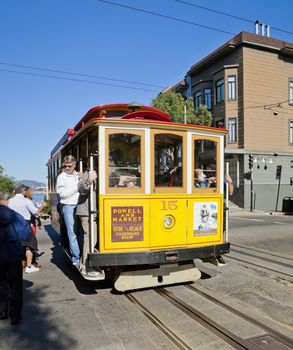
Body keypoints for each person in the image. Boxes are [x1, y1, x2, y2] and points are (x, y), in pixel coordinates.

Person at [0, 192, 32, 325]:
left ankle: (2, 310)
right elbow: (26, 233)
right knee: (16, 286)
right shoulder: (16, 216)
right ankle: (15, 315)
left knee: (1, 283)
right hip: (14, 254)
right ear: (7, 201)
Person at [9, 184, 46, 273]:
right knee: (29, 246)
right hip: (25, 225)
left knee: (14, 247)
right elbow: (36, 213)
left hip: (12, 225)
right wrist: (42, 206)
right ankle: (29, 267)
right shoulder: (26, 201)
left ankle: (14, 267)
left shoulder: (9, 201)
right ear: (23, 191)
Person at [76, 168, 104, 279]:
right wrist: (89, 180)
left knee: (94, 238)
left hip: (96, 210)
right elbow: (81, 189)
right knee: (90, 237)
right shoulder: (89, 172)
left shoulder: (103, 171)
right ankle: (85, 264)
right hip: (87, 211)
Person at [56, 155, 81, 266]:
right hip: (68, 206)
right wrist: (78, 185)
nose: (67, 168)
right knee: (72, 233)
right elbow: (63, 195)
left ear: (74, 166)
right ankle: (76, 258)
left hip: (80, 205)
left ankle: (82, 254)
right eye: (65, 166)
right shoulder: (61, 177)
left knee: (81, 232)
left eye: (69, 166)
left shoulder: (78, 174)